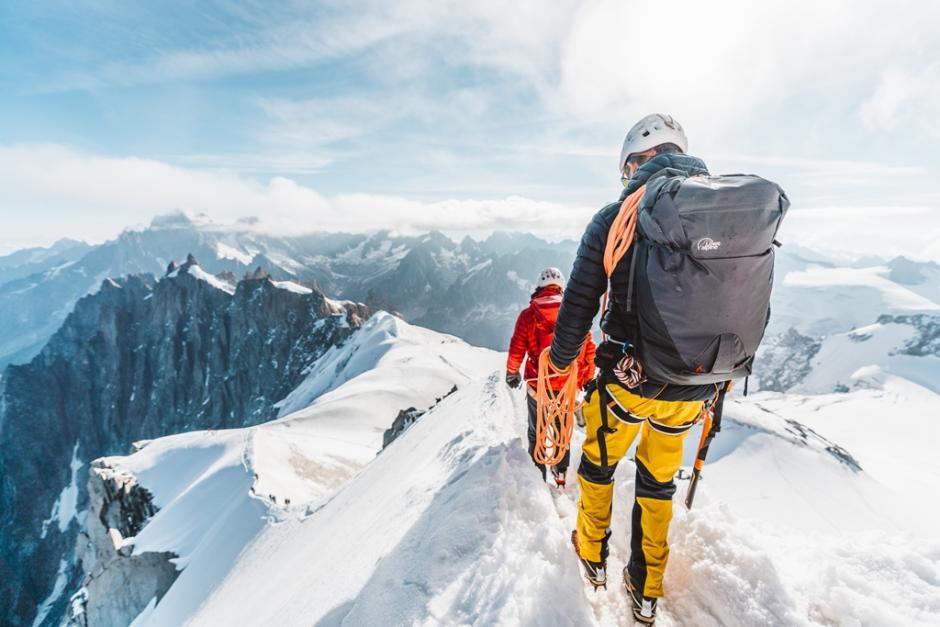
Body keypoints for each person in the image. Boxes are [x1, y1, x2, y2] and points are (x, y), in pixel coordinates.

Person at [549, 114, 718, 625]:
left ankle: (592, 555)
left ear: (634, 164)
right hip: (691, 390)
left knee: (598, 466)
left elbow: (579, 303)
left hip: (626, 383)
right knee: (657, 484)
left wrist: (559, 364)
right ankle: (645, 589)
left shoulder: (614, 215)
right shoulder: (721, 215)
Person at [506, 267, 596, 487]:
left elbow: (517, 347)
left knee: (536, 431)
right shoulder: (575, 314)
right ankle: (560, 473)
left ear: (539, 287)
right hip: (567, 387)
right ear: (561, 287)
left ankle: (537, 477)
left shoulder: (529, 315)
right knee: (561, 431)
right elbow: (588, 349)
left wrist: (512, 373)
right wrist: (586, 377)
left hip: (539, 386)